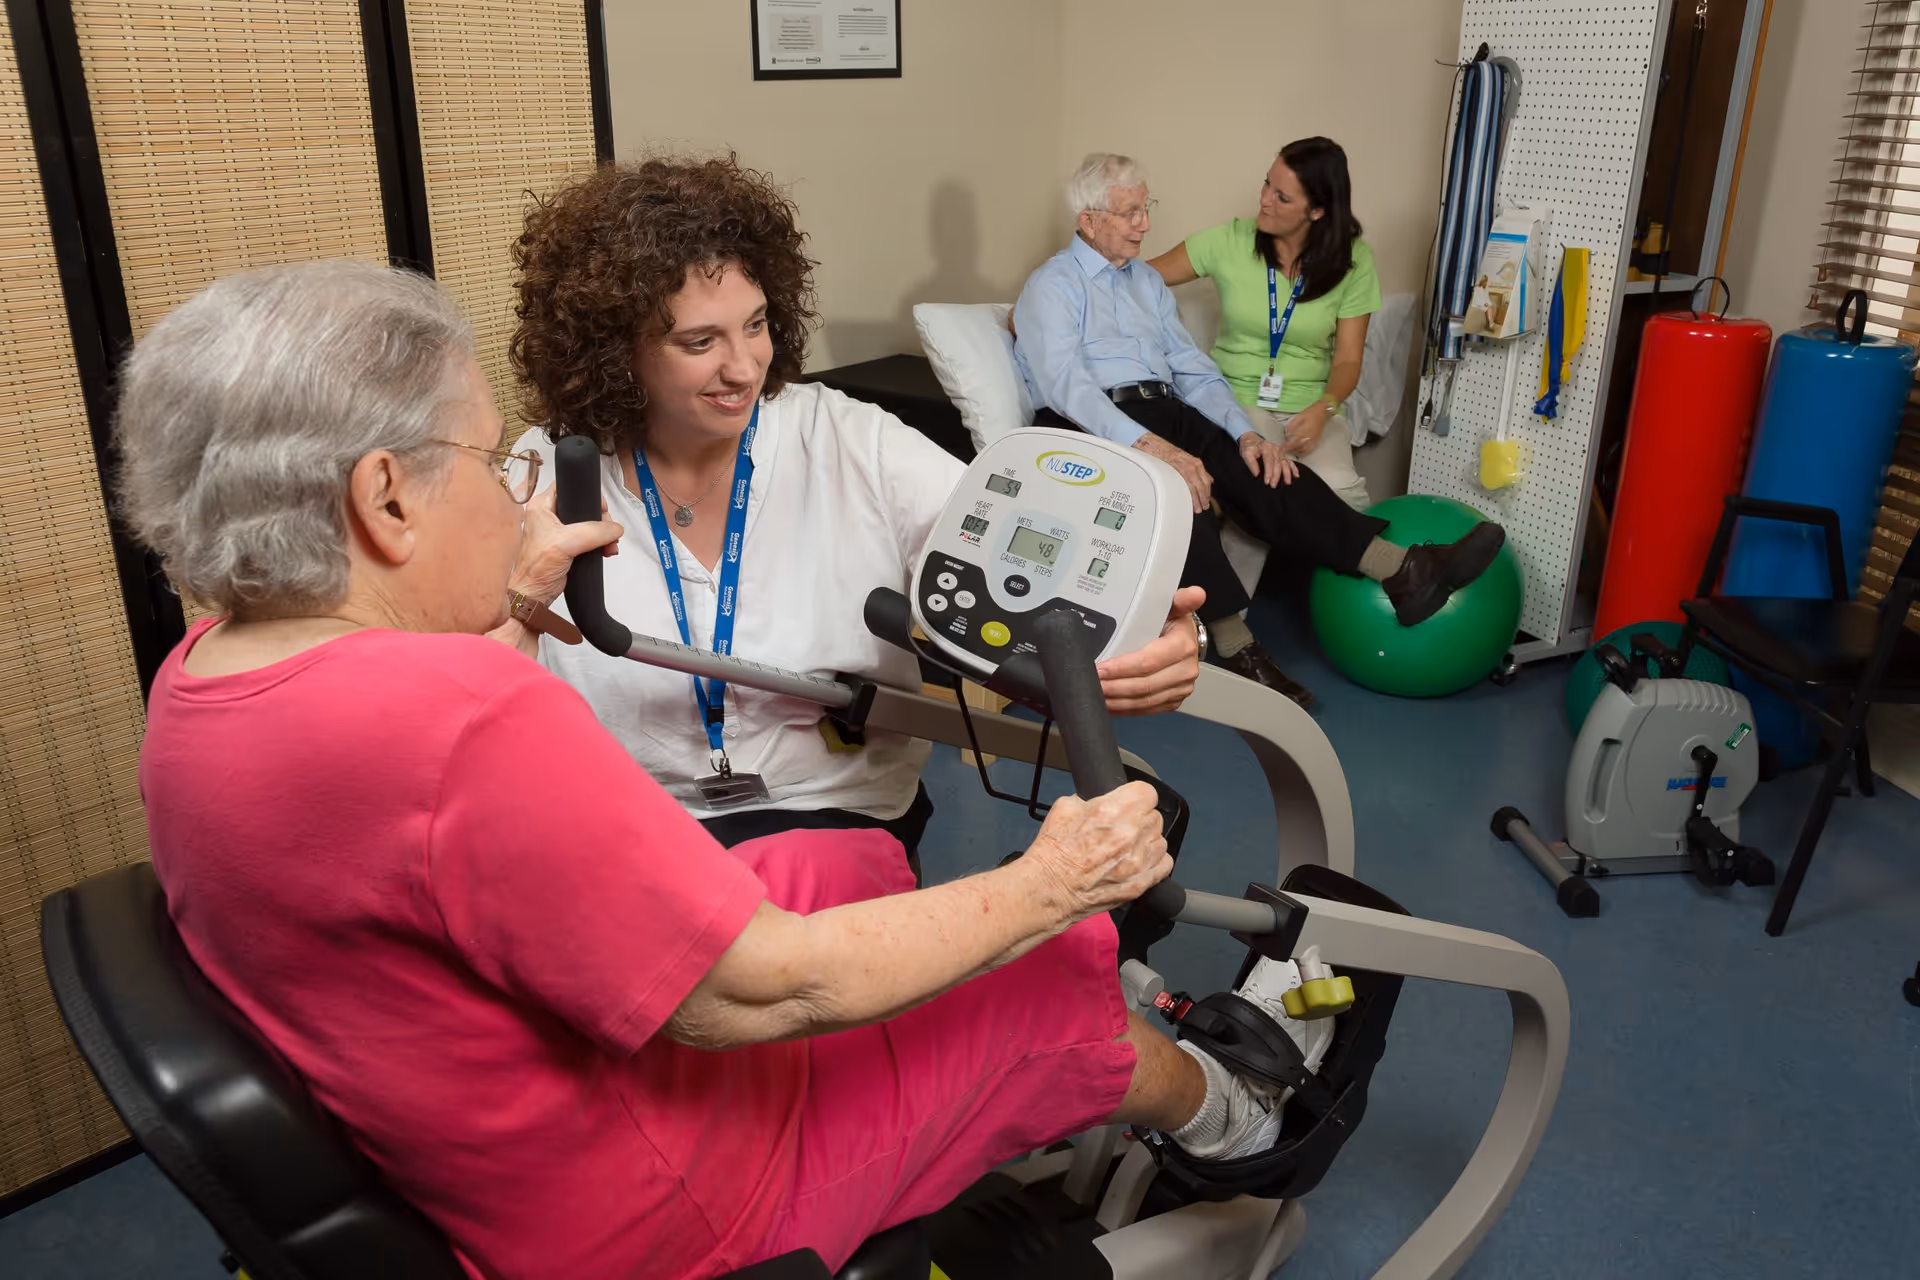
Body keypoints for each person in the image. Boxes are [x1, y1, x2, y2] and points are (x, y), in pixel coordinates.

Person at [117, 259, 1305, 1280]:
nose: (513, 491)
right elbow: (767, 993)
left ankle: (1076, 1022)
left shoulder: (199, 681)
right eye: (487, 464)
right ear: (384, 498)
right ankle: (1239, 1116)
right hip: (663, 1213)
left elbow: (408, 805)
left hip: (475, 1136)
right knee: (1043, 974)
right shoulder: (461, 717)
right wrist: (1059, 877)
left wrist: (509, 602)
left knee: (831, 850)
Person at [506, 157, 1202, 870]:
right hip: (630, 825)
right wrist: (522, 599)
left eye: (755, 325)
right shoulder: (548, 474)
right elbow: (468, 681)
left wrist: (1163, 639)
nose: (744, 367)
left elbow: (1008, 567)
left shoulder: (849, 440)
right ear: (615, 351)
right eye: (699, 342)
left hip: (829, 814)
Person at [1015, 153, 1505, 709]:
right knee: (1184, 490)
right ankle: (1235, 644)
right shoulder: (1052, 285)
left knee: (1265, 468)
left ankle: (1404, 569)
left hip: (1163, 407)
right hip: (1091, 423)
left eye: (1145, 209)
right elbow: (1064, 388)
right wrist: (1155, 448)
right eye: (1129, 214)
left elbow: (1194, 370)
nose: (1145, 225)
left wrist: (1245, 433)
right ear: (1089, 220)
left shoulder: (1146, 283)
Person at [1149, 137, 1376, 511]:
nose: (1265, 199)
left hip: (1313, 406)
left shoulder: (1355, 259)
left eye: (1283, 197)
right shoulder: (1229, 240)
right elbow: (1137, 276)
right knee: (1272, 483)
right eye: (1267, 183)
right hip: (1237, 399)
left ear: (1317, 211)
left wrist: (1324, 408)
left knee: (1344, 497)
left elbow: (1349, 360)